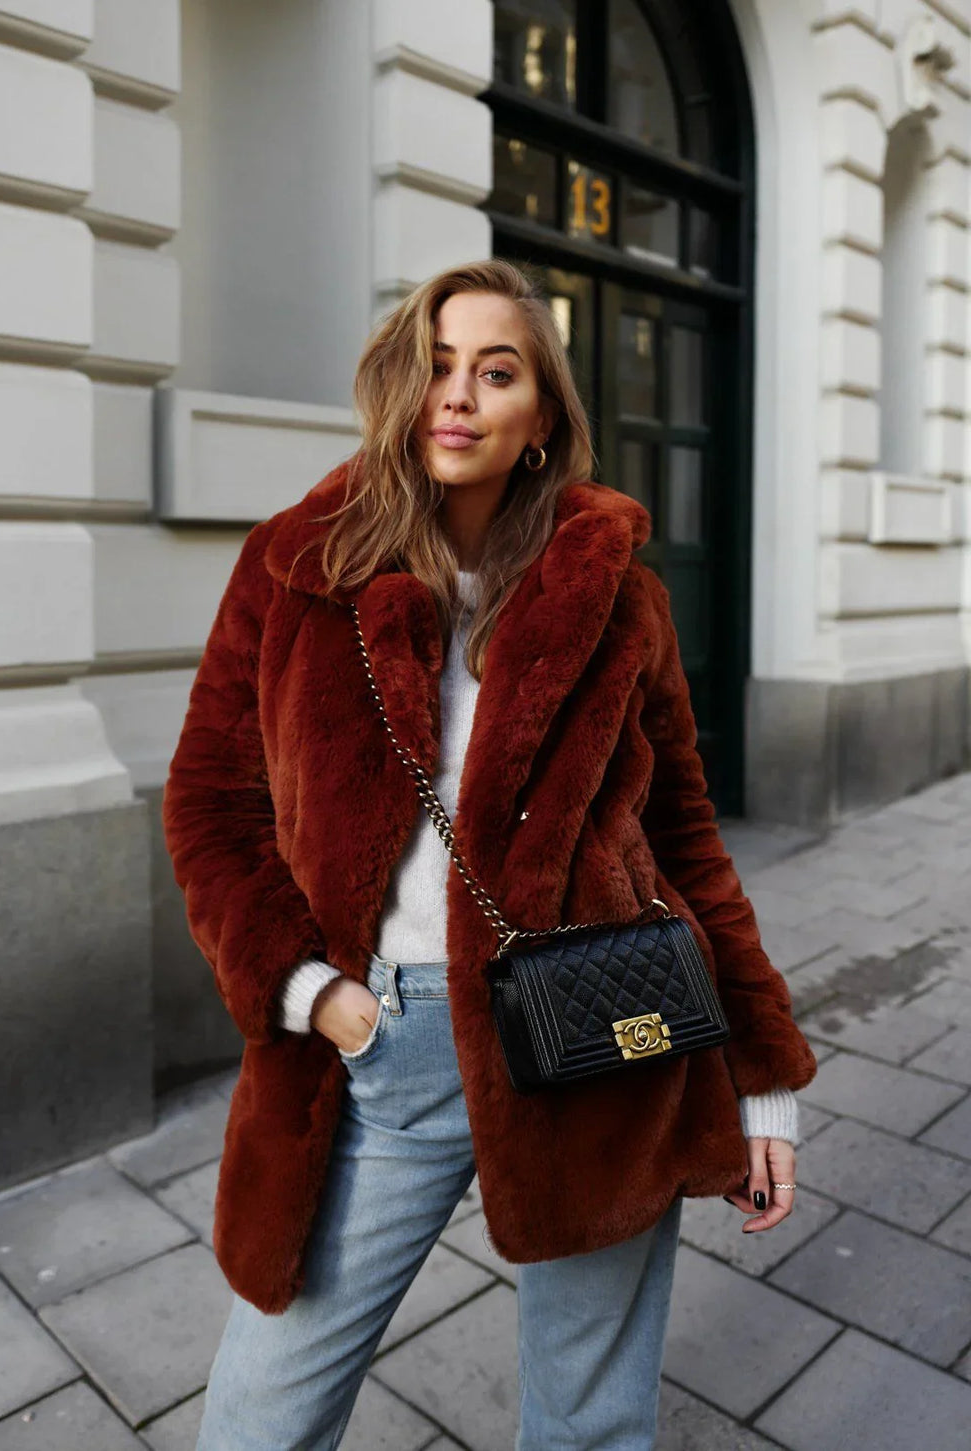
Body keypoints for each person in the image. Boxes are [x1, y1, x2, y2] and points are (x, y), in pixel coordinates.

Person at [163, 259, 818, 1451]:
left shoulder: (617, 596)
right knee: (263, 1410)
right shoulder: (298, 568)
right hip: (384, 1043)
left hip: (599, 1038)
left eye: (494, 371)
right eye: (435, 366)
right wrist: (317, 997)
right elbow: (209, 805)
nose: (455, 396)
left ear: (542, 422)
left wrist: (762, 1076)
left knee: (591, 1420)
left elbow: (683, 841)